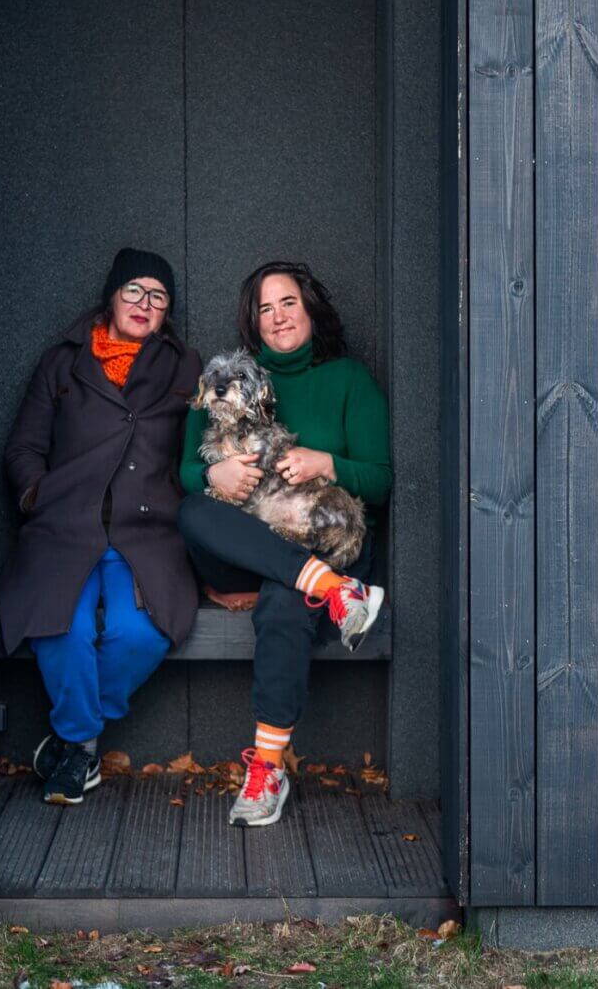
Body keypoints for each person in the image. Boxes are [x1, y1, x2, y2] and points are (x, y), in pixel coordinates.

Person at [177, 260, 392, 827]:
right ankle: (334, 591)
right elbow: (185, 472)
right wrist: (214, 475)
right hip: (250, 553)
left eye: (288, 303)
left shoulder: (349, 380)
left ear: (310, 309)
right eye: (265, 309)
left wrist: (328, 463)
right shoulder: (224, 384)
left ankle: (267, 768)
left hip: (326, 537)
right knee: (194, 511)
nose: (277, 317)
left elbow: (381, 480)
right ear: (254, 322)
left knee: (284, 601)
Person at [0, 247, 203, 804]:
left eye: (158, 296)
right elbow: (23, 448)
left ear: (167, 312)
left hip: (148, 531)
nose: (144, 303)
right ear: (111, 296)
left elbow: (208, 444)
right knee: (60, 627)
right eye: (133, 290)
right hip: (64, 525)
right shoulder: (62, 362)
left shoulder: (186, 366)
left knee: (141, 633)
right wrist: (38, 495)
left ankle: (74, 743)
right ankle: (82, 747)